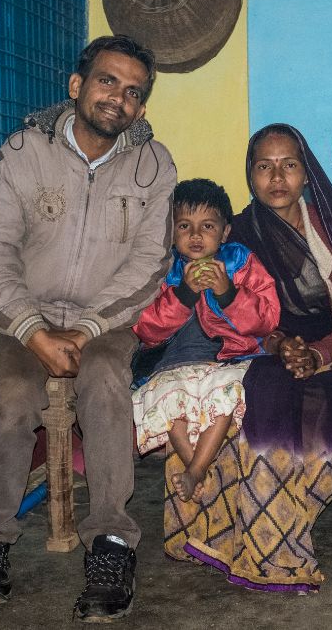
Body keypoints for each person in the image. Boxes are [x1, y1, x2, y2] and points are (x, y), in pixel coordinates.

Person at [0, 35, 176, 621]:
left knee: (106, 384)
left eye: (134, 92)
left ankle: (110, 541)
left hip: (104, 321)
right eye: (108, 81)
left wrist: (83, 332)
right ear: (77, 86)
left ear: (142, 108)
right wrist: (32, 330)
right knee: (13, 395)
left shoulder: (156, 167)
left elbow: (148, 265)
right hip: (23, 315)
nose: (119, 98)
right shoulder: (24, 151)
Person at [163, 123, 332, 592]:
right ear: (249, 174)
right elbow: (229, 313)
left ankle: (275, 542)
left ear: (307, 172)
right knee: (261, 396)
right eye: (264, 166)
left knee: (323, 409)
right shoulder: (238, 235)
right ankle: (234, 541)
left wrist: (318, 352)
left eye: (289, 165)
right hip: (258, 346)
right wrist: (277, 344)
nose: (277, 177)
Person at [131, 179, 279, 503]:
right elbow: (146, 328)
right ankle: (195, 467)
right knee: (168, 399)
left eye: (207, 226)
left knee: (225, 393)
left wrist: (228, 292)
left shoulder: (239, 261)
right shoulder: (164, 269)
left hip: (228, 359)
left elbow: (268, 318)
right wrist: (182, 294)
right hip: (173, 362)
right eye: (184, 225)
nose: (195, 236)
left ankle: (196, 472)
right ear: (171, 231)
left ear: (225, 231)